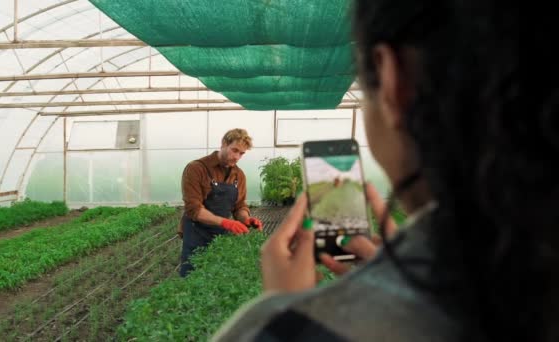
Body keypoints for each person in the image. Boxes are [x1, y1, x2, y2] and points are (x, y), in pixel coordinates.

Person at [213, 1, 556, 341]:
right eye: (237, 151)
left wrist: (285, 315)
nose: (239, 156)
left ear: (394, 79)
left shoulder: (290, 331)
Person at [179, 128, 263, 277]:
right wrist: (226, 223)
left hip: (220, 235)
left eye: (241, 153)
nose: (237, 157)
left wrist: (246, 219)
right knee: (192, 276)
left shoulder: (239, 175)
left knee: (217, 276)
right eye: (234, 150)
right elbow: (194, 209)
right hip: (196, 232)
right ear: (224, 143)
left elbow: (239, 206)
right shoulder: (196, 169)